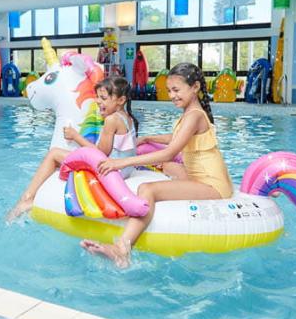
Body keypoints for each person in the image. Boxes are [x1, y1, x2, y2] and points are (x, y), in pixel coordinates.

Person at [82, 63, 234, 267]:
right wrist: (147, 138)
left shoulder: (195, 115)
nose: (172, 95)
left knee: (148, 189)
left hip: (213, 185)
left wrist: (123, 162)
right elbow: (176, 137)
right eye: (169, 90)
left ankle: (122, 249)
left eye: (177, 90)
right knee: (165, 166)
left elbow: (171, 152)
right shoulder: (191, 113)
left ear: (195, 87)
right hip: (200, 175)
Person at [7, 76, 138, 220]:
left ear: (121, 100)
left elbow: (100, 154)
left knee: (54, 154)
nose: (98, 101)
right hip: (125, 169)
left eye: (103, 98)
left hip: (111, 170)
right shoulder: (128, 117)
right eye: (97, 97)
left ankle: (27, 198)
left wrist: (75, 136)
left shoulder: (111, 120)